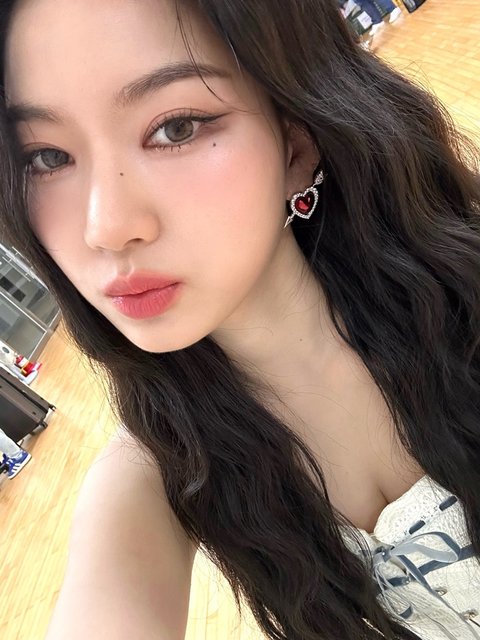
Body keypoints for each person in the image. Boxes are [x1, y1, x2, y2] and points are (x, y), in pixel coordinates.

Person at [0, 1, 479, 639]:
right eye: (46, 158)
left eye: (175, 127)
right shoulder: (156, 477)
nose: (106, 227)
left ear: (296, 143)